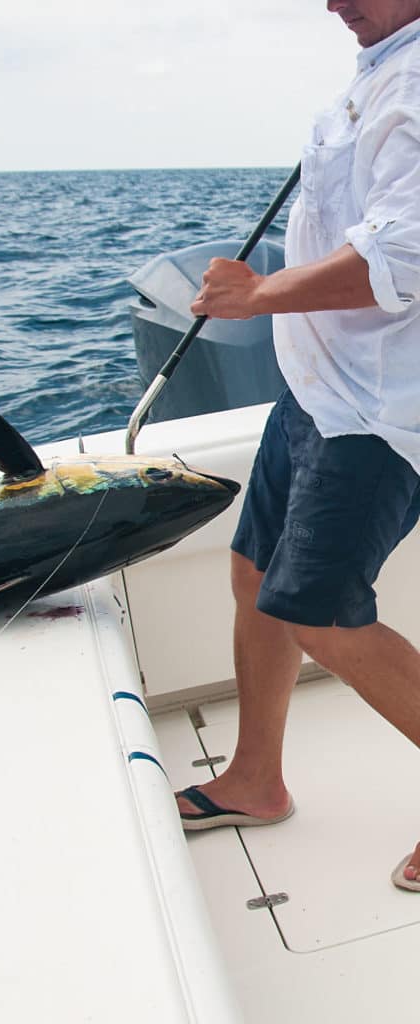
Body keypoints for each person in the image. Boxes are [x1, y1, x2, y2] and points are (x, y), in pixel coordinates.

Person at [176, 0, 420, 892]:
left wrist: (256, 295)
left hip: (381, 413)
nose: (331, 2)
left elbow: (405, 263)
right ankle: (255, 780)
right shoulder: (383, 65)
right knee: (255, 576)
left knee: (317, 608)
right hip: (315, 390)